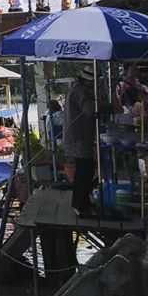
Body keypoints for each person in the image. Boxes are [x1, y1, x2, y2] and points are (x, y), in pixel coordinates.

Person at [64, 66, 100, 215]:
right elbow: (89, 110)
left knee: (84, 169)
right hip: (78, 136)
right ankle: (80, 204)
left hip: (77, 135)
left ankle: (82, 201)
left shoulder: (76, 89)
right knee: (84, 170)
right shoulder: (81, 91)